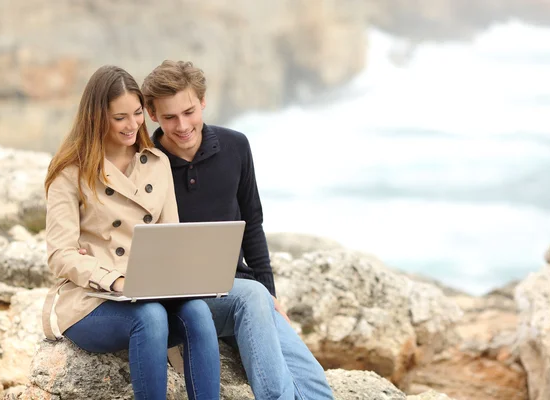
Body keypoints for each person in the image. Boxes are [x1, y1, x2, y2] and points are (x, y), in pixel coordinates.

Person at [141, 60, 334, 400]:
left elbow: (252, 225)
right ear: (152, 115)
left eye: (189, 111)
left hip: (240, 294)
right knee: (252, 296)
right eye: (170, 117)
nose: (182, 125)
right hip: (180, 301)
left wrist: (271, 294)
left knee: (315, 387)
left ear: (202, 101)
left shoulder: (236, 147)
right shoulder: (144, 162)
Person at [41, 65, 221, 400]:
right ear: (97, 117)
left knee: (197, 310)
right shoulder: (70, 172)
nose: (133, 124)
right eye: (119, 117)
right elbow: (60, 255)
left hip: (151, 291)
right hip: (92, 300)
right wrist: (117, 281)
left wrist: (190, 277)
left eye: (138, 113)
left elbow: (172, 241)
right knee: (150, 317)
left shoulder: (156, 163)